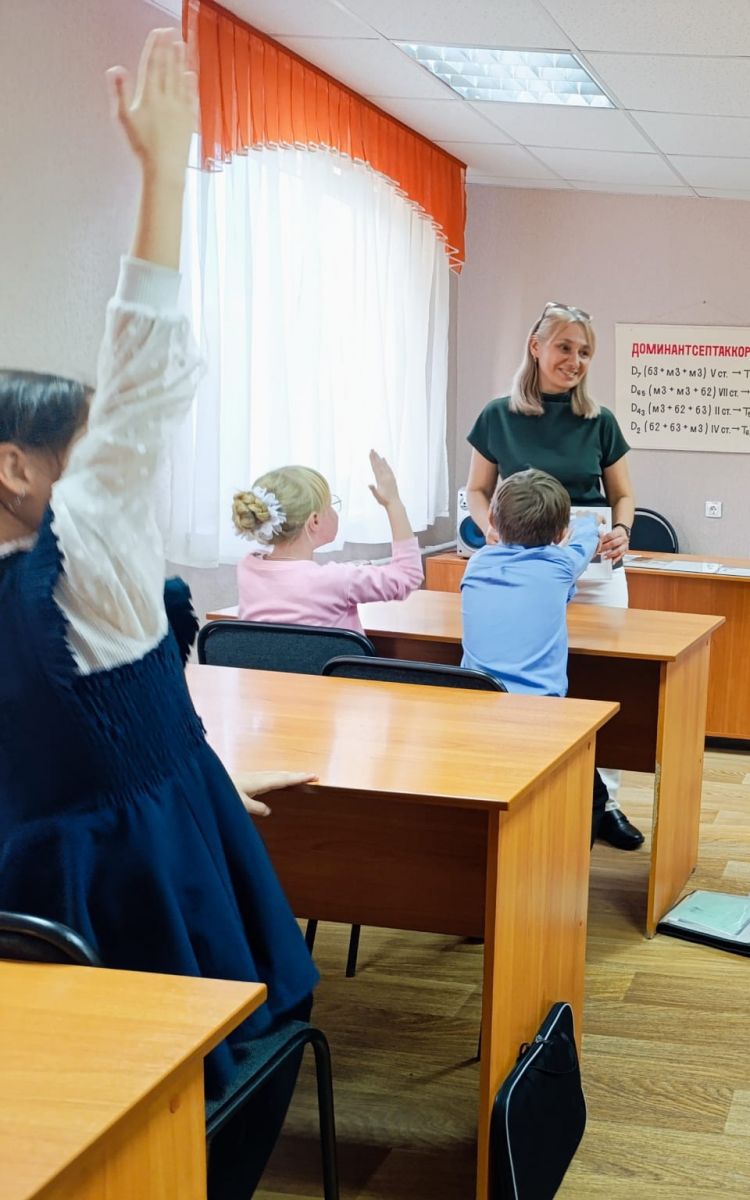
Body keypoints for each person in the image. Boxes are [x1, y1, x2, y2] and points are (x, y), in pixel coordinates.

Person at [0, 30, 318, 1197]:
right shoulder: (82, 567)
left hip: (35, 907)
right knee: (212, 1079)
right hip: (156, 880)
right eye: (90, 457)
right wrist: (164, 176)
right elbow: (143, 376)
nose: (117, 477)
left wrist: (184, 760)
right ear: (17, 470)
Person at [465, 301, 643, 851]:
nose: (576, 360)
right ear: (536, 346)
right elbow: (477, 490)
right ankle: (520, 788)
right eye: (565, 347)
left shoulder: (600, 420)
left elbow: (623, 495)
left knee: (604, 678)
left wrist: (622, 529)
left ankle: (603, 803)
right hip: (519, 562)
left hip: (591, 568)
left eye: (585, 352)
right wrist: (490, 528)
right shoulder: (497, 415)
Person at [461, 469, 609, 842]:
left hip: (476, 712)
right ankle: (565, 861)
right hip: (540, 716)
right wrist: (585, 521)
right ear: (559, 534)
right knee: (594, 796)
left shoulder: (478, 562)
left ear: (491, 520)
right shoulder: (560, 566)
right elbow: (586, 538)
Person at [233, 451, 424, 633]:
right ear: (314, 521)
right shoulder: (337, 580)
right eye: (330, 505)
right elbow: (408, 575)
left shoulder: (248, 567)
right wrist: (393, 503)